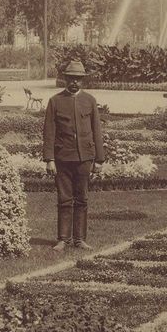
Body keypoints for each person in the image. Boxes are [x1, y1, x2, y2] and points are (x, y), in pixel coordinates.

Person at [42, 60, 103, 251]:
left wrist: (99, 159)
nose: (74, 82)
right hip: (63, 158)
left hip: (84, 158)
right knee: (64, 199)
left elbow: (96, 130)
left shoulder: (90, 101)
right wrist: (50, 159)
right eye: (71, 78)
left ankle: (79, 239)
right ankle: (63, 239)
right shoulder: (55, 101)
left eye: (78, 79)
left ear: (83, 80)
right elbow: (49, 132)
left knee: (82, 199)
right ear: (65, 79)